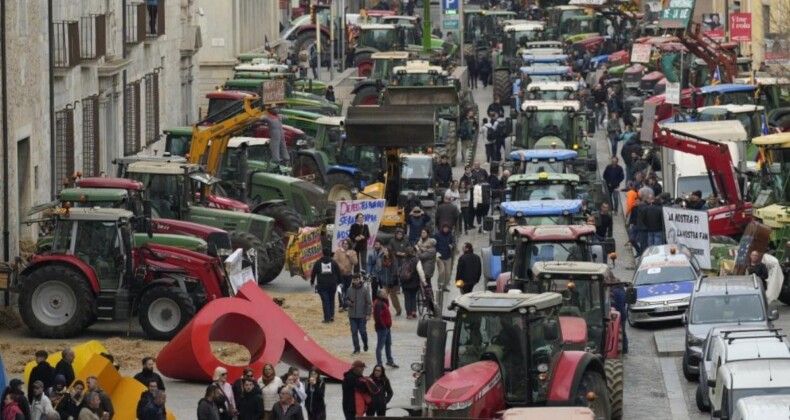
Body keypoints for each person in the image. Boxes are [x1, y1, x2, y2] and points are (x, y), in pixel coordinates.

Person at [311, 247, 341, 323]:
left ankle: (327, 318)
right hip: (332, 284)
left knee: (325, 301)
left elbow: (313, 273)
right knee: (331, 300)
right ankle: (331, 316)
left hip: (322, 285)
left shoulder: (318, 262)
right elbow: (338, 273)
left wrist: (312, 282)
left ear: (322, 254)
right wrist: (340, 282)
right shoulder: (334, 262)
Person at [346, 273, 372, 355]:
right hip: (352, 316)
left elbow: (369, 303)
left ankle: (365, 344)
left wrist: (368, 314)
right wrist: (349, 303)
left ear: (360, 280)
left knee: (363, 332)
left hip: (362, 315)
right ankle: (356, 349)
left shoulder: (364, 290)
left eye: (357, 280)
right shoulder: (349, 290)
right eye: (354, 280)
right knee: (354, 332)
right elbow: (346, 299)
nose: (355, 281)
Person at [372, 289, 398, 368]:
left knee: (388, 344)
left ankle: (389, 361)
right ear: (381, 294)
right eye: (385, 293)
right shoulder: (379, 303)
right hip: (383, 328)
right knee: (380, 346)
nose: (386, 294)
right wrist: (383, 326)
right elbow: (377, 316)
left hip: (386, 327)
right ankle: (379, 363)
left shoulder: (383, 302)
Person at [334, 239, 359, 312]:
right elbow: (335, 261)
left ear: (349, 245)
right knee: (340, 289)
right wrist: (341, 268)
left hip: (348, 274)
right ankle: (341, 305)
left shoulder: (353, 252)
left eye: (346, 244)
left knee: (347, 290)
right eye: (343, 243)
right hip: (340, 274)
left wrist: (350, 256)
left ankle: (346, 305)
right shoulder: (338, 251)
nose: (345, 245)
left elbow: (355, 262)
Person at [400, 247, 421, 319]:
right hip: (414, 282)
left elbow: (400, 271)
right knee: (413, 297)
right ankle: (414, 311)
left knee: (407, 298)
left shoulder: (403, 260)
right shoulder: (416, 260)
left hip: (405, 283)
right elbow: (420, 271)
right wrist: (423, 281)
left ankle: (408, 314)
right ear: (413, 252)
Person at [610, 278, 629, 354]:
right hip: (623, 313)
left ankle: (623, 348)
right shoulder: (622, 291)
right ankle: (625, 348)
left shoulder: (615, 292)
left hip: (617, 314)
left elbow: (614, 304)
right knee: (623, 332)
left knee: (618, 332)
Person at [435, 224, 454, 292]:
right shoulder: (437, 235)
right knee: (442, 271)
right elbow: (435, 244)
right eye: (444, 228)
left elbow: (452, 242)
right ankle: (440, 284)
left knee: (448, 273)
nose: (446, 230)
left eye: (447, 228)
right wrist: (436, 252)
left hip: (448, 256)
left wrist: (451, 245)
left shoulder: (450, 235)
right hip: (440, 256)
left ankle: (445, 286)